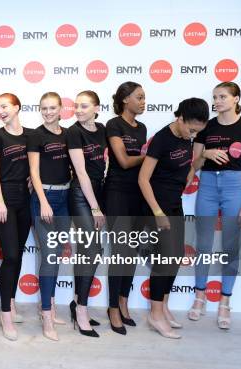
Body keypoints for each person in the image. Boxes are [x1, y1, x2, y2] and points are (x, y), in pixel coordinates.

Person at [187, 82, 241, 330]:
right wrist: (205, 155)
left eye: (222, 97)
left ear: (236, 98)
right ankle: (199, 296)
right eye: (214, 97)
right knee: (203, 244)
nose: (216, 101)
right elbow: (193, 164)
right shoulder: (207, 127)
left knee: (231, 246)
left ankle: (225, 301)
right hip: (207, 185)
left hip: (234, 186)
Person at [138, 97, 209, 339]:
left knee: (176, 256)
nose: (192, 135)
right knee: (163, 261)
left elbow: (186, 165)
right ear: (180, 118)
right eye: (191, 129)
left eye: (197, 132)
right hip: (157, 208)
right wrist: (158, 213)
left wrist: (193, 166)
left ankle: (164, 306)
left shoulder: (185, 138)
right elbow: (143, 179)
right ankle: (155, 314)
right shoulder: (162, 139)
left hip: (174, 204)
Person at [104, 81, 147, 335]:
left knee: (131, 252)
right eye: (139, 97)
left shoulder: (142, 128)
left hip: (137, 194)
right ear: (125, 100)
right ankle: (111, 307)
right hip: (117, 193)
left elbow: (141, 166)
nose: (143, 101)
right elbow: (123, 160)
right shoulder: (114, 124)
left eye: (144, 97)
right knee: (120, 252)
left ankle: (123, 300)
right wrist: (153, 156)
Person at [0, 92, 32, 341]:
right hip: (5, 200)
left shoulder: (30, 135)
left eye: (5, 106)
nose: (1, 110)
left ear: (17, 107)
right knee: (11, 255)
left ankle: (11, 302)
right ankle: (5, 314)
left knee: (18, 255)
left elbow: (36, 166)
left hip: (25, 200)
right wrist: (0, 202)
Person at [27, 92, 71, 341]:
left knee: (56, 257)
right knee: (50, 256)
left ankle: (50, 307)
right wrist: (43, 201)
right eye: (43, 108)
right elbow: (33, 170)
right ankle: (45, 316)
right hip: (45, 200)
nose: (48, 112)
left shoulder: (67, 134)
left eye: (52, 108)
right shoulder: (35, 135)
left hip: (65, 200)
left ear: (61, 108)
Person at [66, 90, 106, 337]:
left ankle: (77, 303)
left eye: (84, 106)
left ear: (96, 108)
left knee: (89, 252)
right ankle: (81, 310)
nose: (79, 110)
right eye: (76, 106)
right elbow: (81, 173)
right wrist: (94, 207)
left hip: (97, 191)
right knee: (90, 250)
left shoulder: (102, 129)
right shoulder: (73, 132)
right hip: (81, 194)